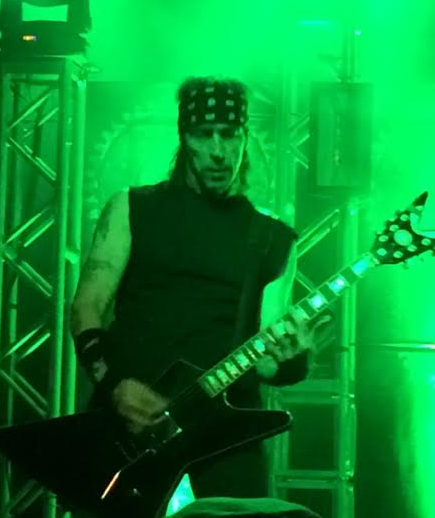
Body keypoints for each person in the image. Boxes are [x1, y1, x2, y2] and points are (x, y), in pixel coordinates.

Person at [70, 76, 312, 501]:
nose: (219, 150)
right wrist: (113, 385)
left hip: (226, 435)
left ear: (244, 137)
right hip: (130, 429)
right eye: (204, 133)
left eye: (229, 134)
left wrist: (293, 360)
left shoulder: (273, 239)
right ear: (184, 137)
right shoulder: (131, 208)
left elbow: (267, 362)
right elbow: (85, 306)